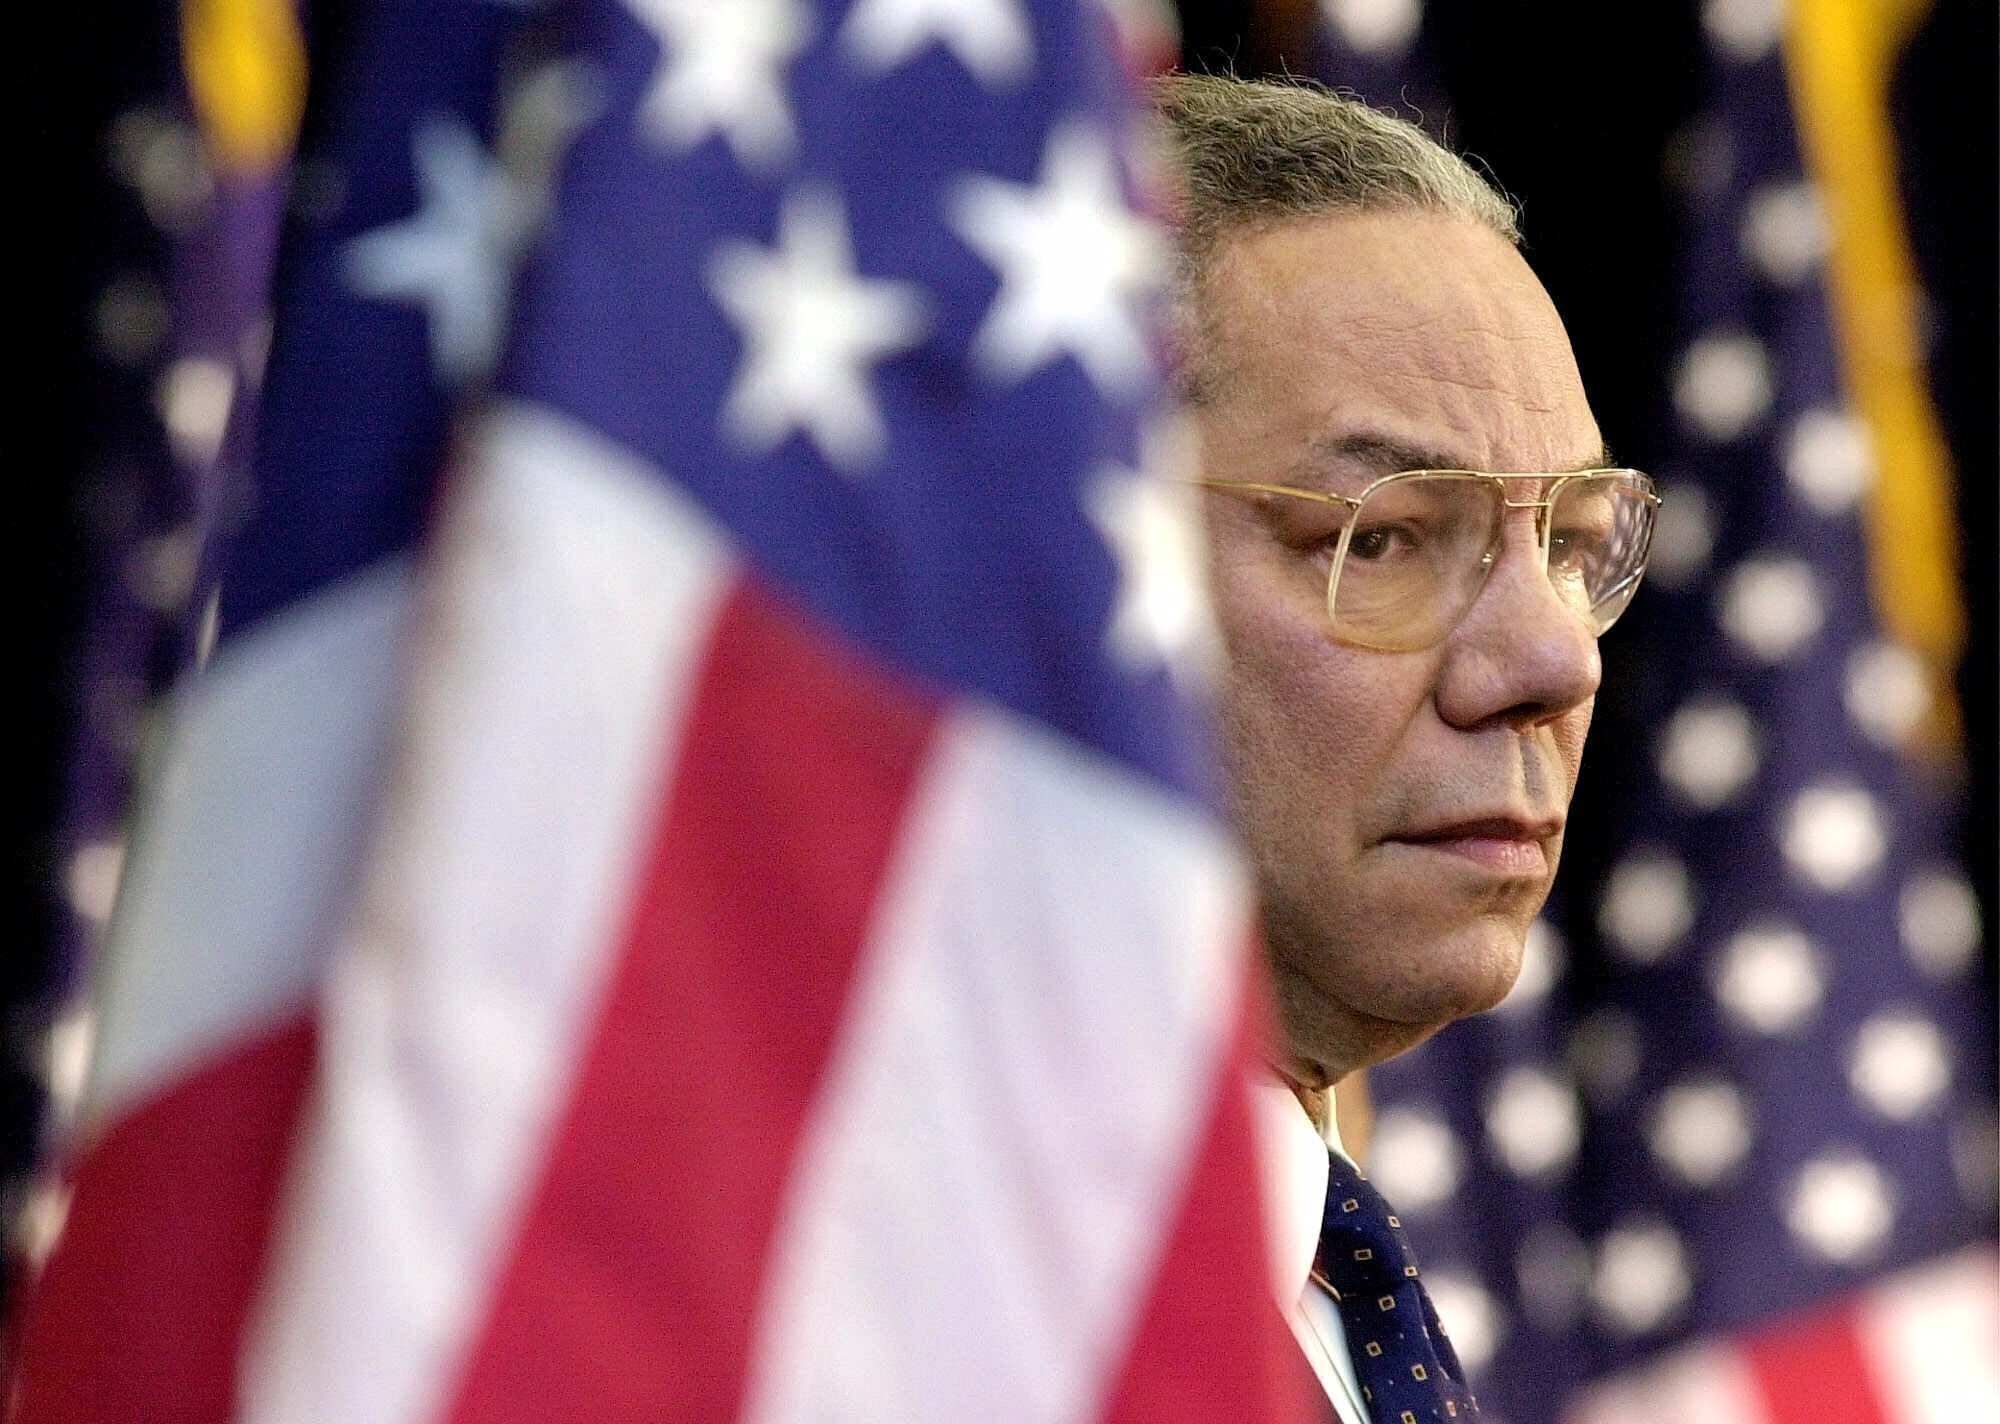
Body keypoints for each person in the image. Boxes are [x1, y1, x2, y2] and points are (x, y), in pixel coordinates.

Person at [1154, 74, 1659, 1423]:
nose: (1554, 662)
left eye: (1563, 544)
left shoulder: (1329, 1291)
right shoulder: (865, 1307)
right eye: (1378, 538)